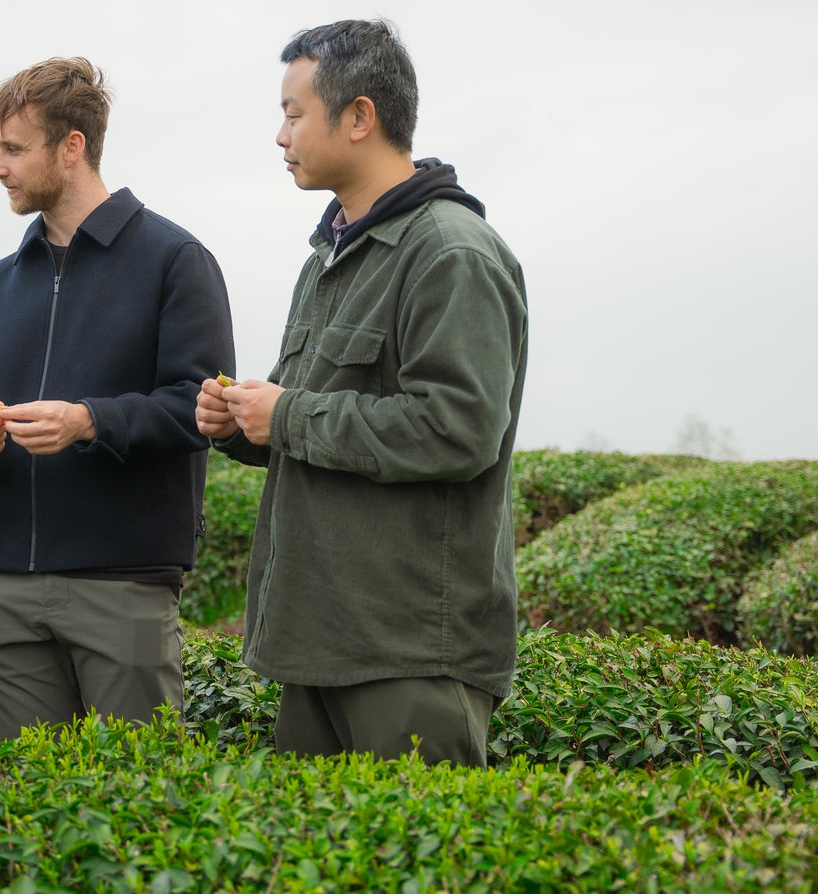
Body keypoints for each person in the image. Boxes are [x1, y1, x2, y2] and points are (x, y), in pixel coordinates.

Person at [197, 20, 528, 766]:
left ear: (359, 117)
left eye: (292, 112)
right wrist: (242, 421)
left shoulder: (450, 252)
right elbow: (308, 425)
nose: (280, 135)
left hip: (410, 652)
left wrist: (287, 413)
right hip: (319, 641)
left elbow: (458, 431)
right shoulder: (329, 257)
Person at [0, 58, 235, 739]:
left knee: (137, 810)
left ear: (72, 147)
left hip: (121, 584)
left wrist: (91, 421)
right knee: (17, 813)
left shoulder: (176, 260)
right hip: (1, 587)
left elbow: (203, 407)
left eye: (12, 149)